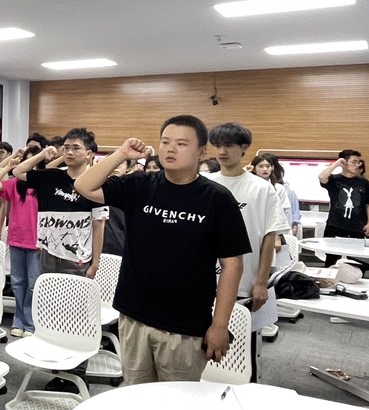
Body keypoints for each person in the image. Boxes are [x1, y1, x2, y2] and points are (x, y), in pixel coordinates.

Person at [74, 115, 250, 385]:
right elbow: (83, 186)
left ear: (202, 151)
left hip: (184, 326)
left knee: (177, 401)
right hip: (134, 315)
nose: (171, 149)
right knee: (136, 394)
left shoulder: (217, 198)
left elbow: (232, 265)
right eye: (165, 142)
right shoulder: (140, 185)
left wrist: (219, 325)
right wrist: (122, 154)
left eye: (182, 143)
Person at [205, 123, 289, 371]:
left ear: (243, 148)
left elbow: (269, 237)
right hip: (203, 282)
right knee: (202, 354)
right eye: (218, 146)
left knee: (240, 356)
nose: (222, 151)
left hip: (244, 283)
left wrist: (261, 282)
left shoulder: (261, 188)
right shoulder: (205, 183)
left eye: (229, 145)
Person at [11, 127, 107, 278]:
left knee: (74, 294)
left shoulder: (95, 184)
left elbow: (99, 226)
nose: (69, 152)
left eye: (76, 148)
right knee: (45, 292)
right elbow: (18, 172)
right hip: (47, 254)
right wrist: (41, 154)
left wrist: (95, 264)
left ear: (89, 154)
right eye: (66, 148)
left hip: (77, 258)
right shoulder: (51, 176)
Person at [0, 136, 45, 336]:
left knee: (33, 284)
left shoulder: (45, 186)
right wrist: (9, 166)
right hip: (16, 239)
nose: (30, 167)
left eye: (34, 163)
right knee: (17, 283)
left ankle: (30, 323)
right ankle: (18, 320)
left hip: (36, 242)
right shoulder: (15, 184)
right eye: (27, 162)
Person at [252, 152, 301, 238]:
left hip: (274, 231)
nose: (265, 169)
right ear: (254, 169)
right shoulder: (250, 187)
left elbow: (285, 213)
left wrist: (283, 235)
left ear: (272, 168)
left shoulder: (279, 188)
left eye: (268, 166)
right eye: (261, 166)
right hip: (254, 227)